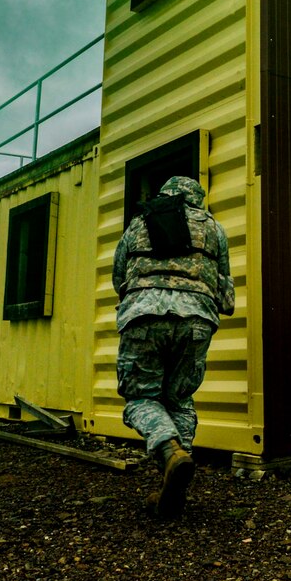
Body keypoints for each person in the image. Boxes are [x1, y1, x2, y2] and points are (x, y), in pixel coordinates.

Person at [113, 174, 234, 518]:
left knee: (140, 397)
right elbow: (226, 294)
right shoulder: (215, 228)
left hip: (143, 316)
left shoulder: (139, 223)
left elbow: (117, 277)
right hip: (197, 321)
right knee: (179, 399)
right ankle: (173, 487)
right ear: (197, 199)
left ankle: (170, 452)